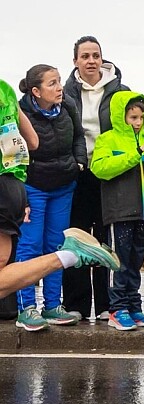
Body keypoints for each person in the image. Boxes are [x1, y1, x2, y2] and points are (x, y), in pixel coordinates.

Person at [0, 78, 121, 297]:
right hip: (12, 182)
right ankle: (67, 256)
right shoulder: (5, 89)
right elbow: (33, 141)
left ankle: (68, 256)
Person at [13, 65, 87, 330]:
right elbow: (14, 153)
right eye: (52, 83)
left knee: (57, 246)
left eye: (59, 81)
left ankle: (53, 306)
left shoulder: (68, 105)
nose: (59, 88)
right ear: (36, 91)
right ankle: (26, 309)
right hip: (33, 188)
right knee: (30, 246)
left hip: (63, 186)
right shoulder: (20, 112)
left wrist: (79, 162)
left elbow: (79, 136)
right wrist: (20, 195)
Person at [90, 92, 144, 331]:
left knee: (135, 262)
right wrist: (136, 153)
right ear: (120, 116)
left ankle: (134, 306)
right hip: (119, 212)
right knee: (119, 262)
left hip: (143, 213)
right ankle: (117, 309)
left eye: (141, 117)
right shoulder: (107, 140)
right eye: (133, 117)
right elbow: (100, 168)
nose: (138, 122)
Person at [62, 36, 128, 321]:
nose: (91, 61)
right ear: (75, 61)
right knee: (75, 235)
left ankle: (106, 304)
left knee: (105, 237)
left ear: (102, 59)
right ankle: (75, 304)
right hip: (77, 172)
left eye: (96, 56)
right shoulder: (65, 93)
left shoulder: (120, 91)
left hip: (107, 173)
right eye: (85, 56)